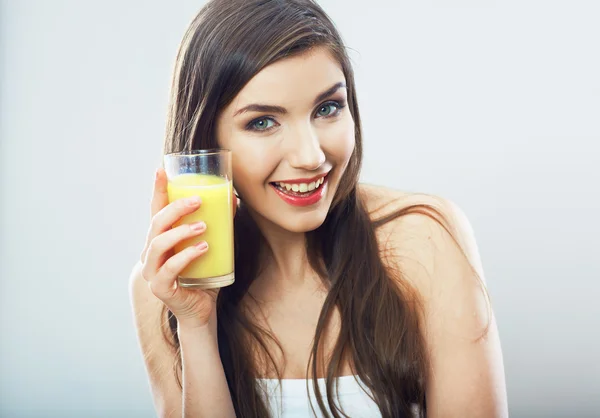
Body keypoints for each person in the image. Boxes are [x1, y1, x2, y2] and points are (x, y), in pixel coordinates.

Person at [129, 0, 508, 416]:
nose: (310, 156)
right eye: (262, 122)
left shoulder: (425, 240)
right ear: (208, 140)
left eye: (327, 108)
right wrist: (197, 326)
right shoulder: (164, 290)